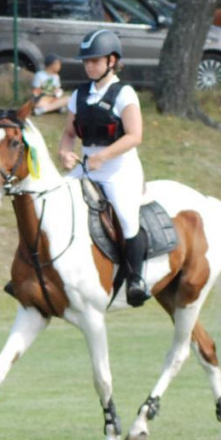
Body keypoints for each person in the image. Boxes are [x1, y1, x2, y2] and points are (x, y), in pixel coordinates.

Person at [57, 29, 150, 307]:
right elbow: (68, 133)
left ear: (111, 60)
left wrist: (104, 156)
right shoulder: (80, 94)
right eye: (86, 61)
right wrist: (64, 152)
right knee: (55, 200)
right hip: (87, 167)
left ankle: (136, 279)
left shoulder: (125, 93)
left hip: (120, 168)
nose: (88, 66)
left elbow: (135, 135)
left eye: (94, 61)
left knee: (125, 215)